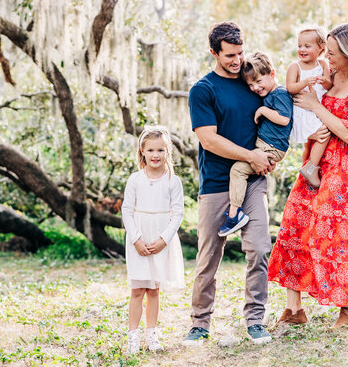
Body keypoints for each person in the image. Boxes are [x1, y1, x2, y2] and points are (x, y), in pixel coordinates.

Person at [268, 22, 348, 330]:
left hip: (343, 170)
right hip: (315, 163)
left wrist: (317, 107)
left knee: (332, 235)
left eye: (333, 54)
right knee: (294, 225)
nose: (327, 58)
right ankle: (294, 309)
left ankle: (347, 307)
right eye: (328, 52)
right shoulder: (329, 78)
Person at [184, 21, 275, 346]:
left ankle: (255, 321)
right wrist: (251, 155)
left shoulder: (252, 83)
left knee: (260, 250)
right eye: (230, 56)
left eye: (239, 53)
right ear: (214, 53)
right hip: (215, 184)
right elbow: (209, 140)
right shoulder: (203, 90)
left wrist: (269, 154)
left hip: (252, 184)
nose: (237, 61)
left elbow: (278, 116)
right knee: (208, 256)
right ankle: (199, 324)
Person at [121, 125, 185, 354]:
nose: (155, 155)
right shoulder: (135, 179)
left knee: (154, 290)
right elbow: (127, 210)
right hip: (139, 236)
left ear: (167, 153)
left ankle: (152, 335)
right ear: (142, 151)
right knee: (138, 289)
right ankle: (133, 337)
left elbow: (177, 213)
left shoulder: (172, 181)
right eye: (151, 150)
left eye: (160, 150)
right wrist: (136, 239)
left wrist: (163, 240)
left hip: (160, 237)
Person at [219, 52, 293, 237]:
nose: (255, 87)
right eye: (251, 84)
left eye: (259, 81)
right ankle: (235, 212)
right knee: (240, 170)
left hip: (271, 147)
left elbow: (284, 119)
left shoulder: (280, 93)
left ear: (272, 73)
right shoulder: (269, 94)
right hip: (264, 145)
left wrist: (262, 110)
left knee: (237, 170)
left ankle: (235, 214)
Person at [286, 26, 333, 188]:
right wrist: (305, 82)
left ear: (321, 48)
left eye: (307, 46)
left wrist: (323, 81)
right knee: (324, 134)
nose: (302, 49)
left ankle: (307, 165)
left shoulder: (323, 64)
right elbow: (290, 88)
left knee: (311, 142)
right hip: (302, 110)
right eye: (299, 46)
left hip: (316, 108)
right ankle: (311, 167)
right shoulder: (295, 67)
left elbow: (328, 85)